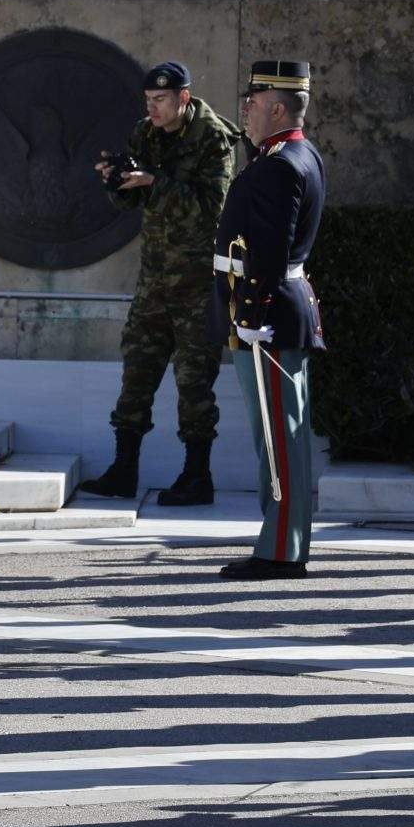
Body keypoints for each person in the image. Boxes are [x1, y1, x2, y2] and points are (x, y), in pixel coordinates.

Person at [81, 61, 238, 506]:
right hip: (154, 277)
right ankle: (123, 470)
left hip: (197, 281)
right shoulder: (145, 133)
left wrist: (155, 181)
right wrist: (118, 181)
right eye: (148, 101)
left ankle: (197, 475)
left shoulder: (213, 139)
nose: (152, 109)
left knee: (193, 382)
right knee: (137, 372)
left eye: (161, 101)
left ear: (183, 99)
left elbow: (212, 207)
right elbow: (133, 201)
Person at [211, 60, 325, 579]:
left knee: (281, 436)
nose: (246, 110)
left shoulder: (281, 164)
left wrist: (251, 316)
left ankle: (281, 550)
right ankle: (284, 538)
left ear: (277, 108)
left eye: (254, 103)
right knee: (281, 434)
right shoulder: (295, 154)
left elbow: (271, 256)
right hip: (273, 313)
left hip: (268, 317)